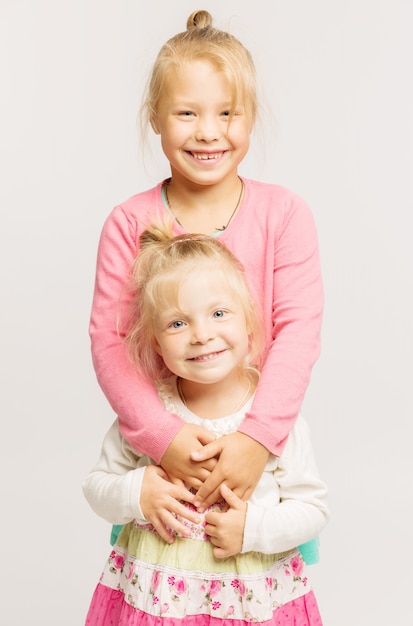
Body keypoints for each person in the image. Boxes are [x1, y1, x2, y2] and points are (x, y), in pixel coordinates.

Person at [89, 9, 324, 551]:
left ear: (251, 116)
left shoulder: (284, 214)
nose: (209, 132)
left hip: (253, 474)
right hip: (168, 477)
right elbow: (109, 343)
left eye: (227, 113)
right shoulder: (129, 223)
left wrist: (256, 440)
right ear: (155, 116)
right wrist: (164, 438)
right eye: (188, 113)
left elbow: (298, 333)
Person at [83, 224, 329, 625]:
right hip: (156, 603)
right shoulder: (151, 414)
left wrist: (253, 529)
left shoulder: (270, 414)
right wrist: (135, 491)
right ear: (156, 343)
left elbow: (312, 509)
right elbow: (96, 487)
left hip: (249, 605)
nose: (201, 335)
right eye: (178, 323)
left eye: (218, 314)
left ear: (249, 324)